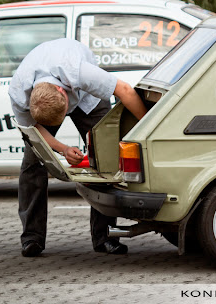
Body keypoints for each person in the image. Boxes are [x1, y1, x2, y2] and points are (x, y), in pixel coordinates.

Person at [8, 38, 147, 258]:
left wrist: (147, 129)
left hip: (87, 99)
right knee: (32, 163)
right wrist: (62, 148)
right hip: (46, 99)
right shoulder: (19, 92)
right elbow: (33, 131)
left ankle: (105, 237)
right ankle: (32, 238)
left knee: (106, 158)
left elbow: (125, 91)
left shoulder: (79, 72)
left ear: (64, 94)